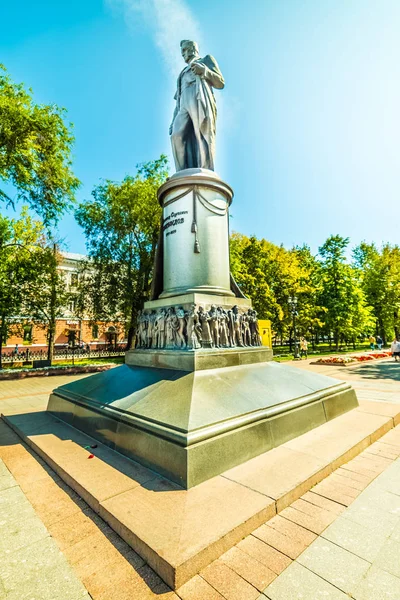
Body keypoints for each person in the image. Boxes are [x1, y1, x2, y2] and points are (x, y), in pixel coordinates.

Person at [169, 40, 224, 172]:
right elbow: (178, 99)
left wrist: (204, 70)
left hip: (199, 99)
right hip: (183, 105)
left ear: (192, 49)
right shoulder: (182, 73)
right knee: (176, 135)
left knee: (201, 134)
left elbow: (220, 82)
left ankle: (204, 170)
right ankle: (181, 172)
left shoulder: (205, 59)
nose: (183, 54)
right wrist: (172, 121)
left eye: (184, 50)